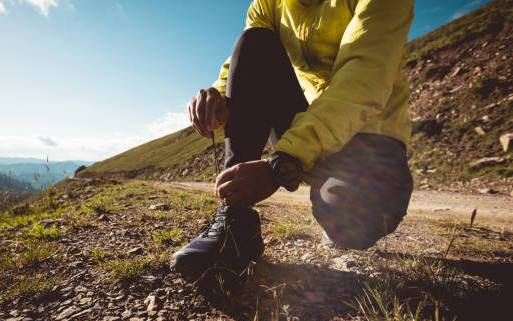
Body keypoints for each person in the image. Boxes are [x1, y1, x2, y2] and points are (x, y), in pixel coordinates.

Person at [171, 0, 415, 283]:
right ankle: (234, 224)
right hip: (316, 131)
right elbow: (248, 60)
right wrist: (222, 98)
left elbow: (364, 77)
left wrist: (284, 162)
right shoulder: (267, 5)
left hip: (373, 139)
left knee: (351, 228)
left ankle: (337, 205)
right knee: (256, 41)